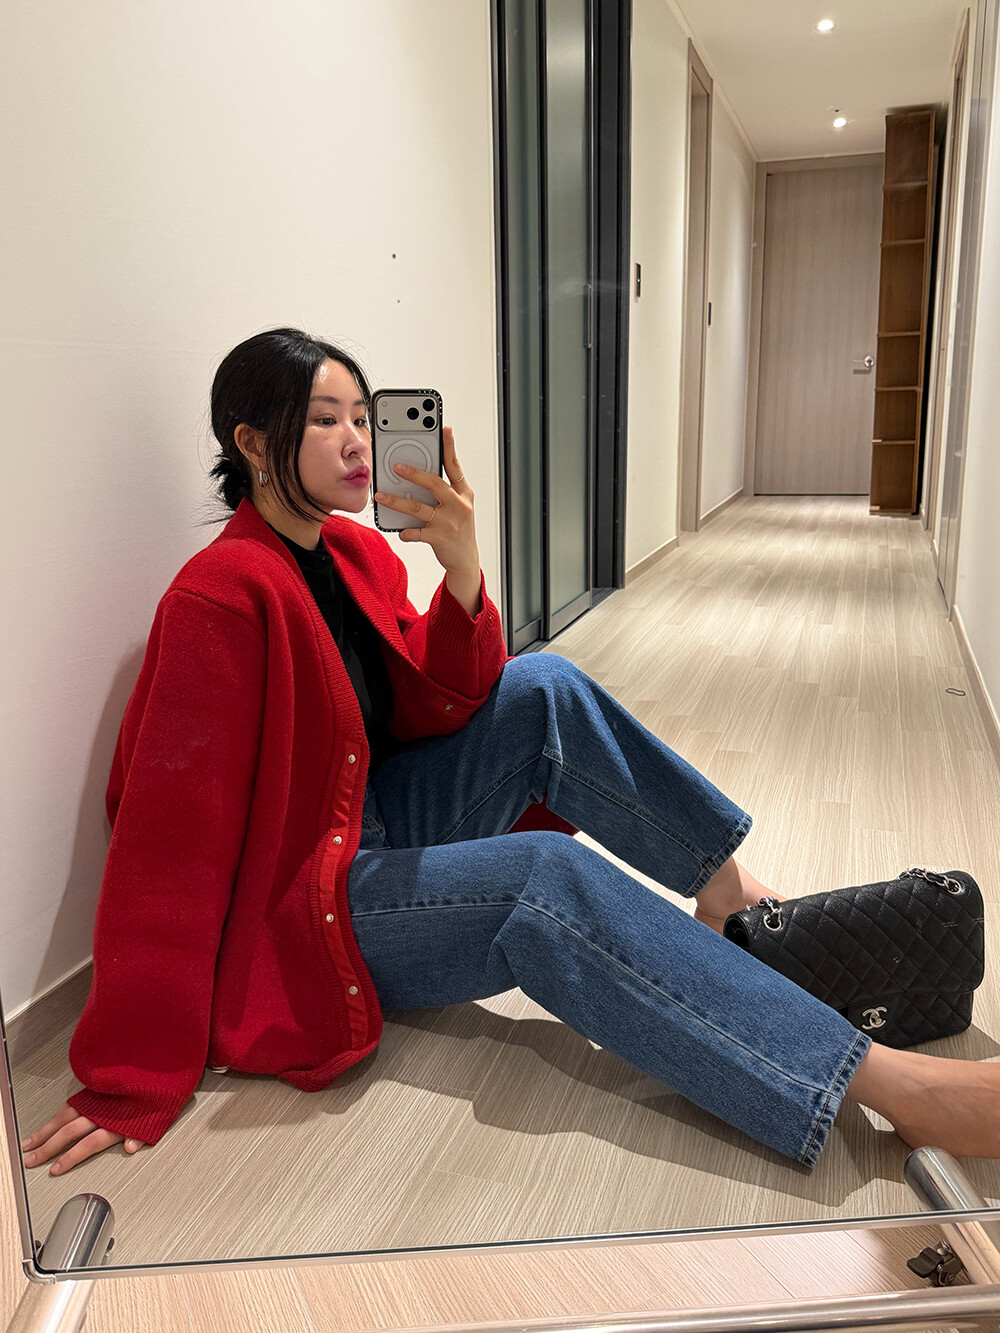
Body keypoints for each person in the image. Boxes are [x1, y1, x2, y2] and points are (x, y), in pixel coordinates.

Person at [21, 327, 1000, 1180]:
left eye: (363, 416)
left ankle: (728, 895)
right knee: (543, 877)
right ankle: (892, 1086)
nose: (357, 440)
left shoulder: (353, 553)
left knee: (543, 686)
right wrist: (133, 1072)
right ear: (251, 442)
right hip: (309, 899)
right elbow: (167, 850)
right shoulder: (220, 596)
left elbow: (441, 705)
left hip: (377, 821)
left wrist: (460, 570)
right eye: (324, 421)